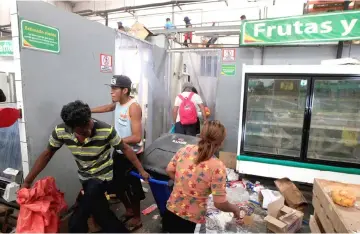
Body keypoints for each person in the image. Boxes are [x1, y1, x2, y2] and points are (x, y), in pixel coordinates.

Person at [22, 100, 150, 233]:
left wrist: (141, 170)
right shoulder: (61, 132)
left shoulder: (106, 130)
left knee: (80, 216)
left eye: (88, 123)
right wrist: (27, 181)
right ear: (71, 128)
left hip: (104, 176)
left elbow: (125, 148)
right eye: (82, 129)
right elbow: (47, 154)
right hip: (84, 177)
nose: (88, 129)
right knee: (99, 209)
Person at [163, 120, 241, 233]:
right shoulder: (217, 166)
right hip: (191, 221)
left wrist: (183, 185)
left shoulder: (185, 149)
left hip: (170, 211)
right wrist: (235, 209)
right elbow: (219, 203)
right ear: (221, 142)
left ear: (201, 135)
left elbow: (169, 170)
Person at [91, 75, 144, 231]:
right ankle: (128, 210)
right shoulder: (118, 103)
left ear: (125, 90)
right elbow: (108, 107)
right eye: (111, 89)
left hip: (132, 154)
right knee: (117, 185)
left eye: (114, 89)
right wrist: (88, 111)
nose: (111, 92)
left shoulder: (133, 107)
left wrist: (112, 140)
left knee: (133, 188)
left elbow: (136, 137)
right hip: (119, 151)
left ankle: (137, 217)